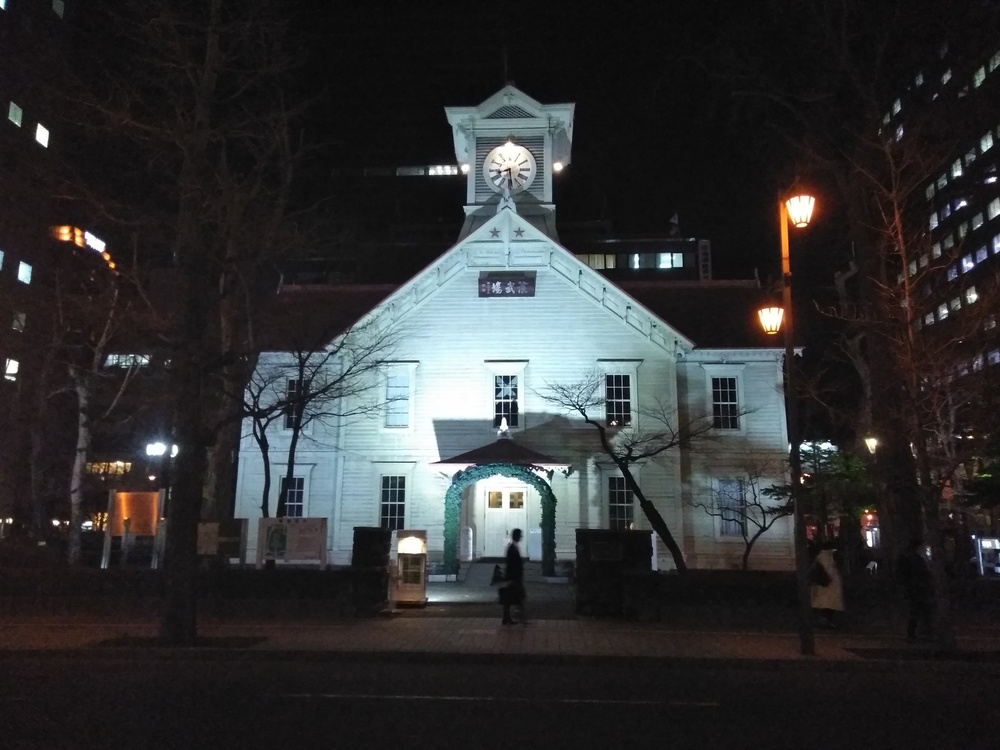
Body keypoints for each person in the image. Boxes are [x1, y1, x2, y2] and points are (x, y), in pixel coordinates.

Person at [897, 538, 934, 642]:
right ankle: (917, 632)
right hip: (917, 588)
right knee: (918, 610)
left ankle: (915, 632)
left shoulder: (909, 558)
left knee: (916, 611)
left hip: (914, 588)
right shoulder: (915, 559)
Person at [809, 541, 845, 628]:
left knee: (825, 604)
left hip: (824, 585)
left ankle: (824, 621)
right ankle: (825, 622)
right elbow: (830, 571)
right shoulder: (827, 557)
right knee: (829, 605)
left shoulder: (821, 556)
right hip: (828, 585)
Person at [501, 528, 525, 625]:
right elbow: (511, 564)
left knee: (510, 598)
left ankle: (507, 618)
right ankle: (513, 617)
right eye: (520, 536)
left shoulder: (513, 547)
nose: (521, 537)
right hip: (513, 577)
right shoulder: (512, 548)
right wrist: (511, 578)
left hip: (514, 577)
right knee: (512, 598)